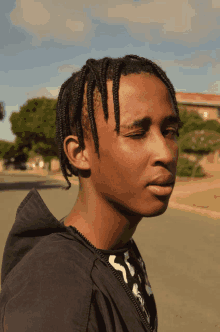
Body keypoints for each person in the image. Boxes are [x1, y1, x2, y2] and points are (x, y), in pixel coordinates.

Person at [0, 55, 183, 331]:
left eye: (169, 131)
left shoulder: (114, 249)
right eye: (137, 133)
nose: (165, 153)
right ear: (79, 153)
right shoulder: (57, 294)